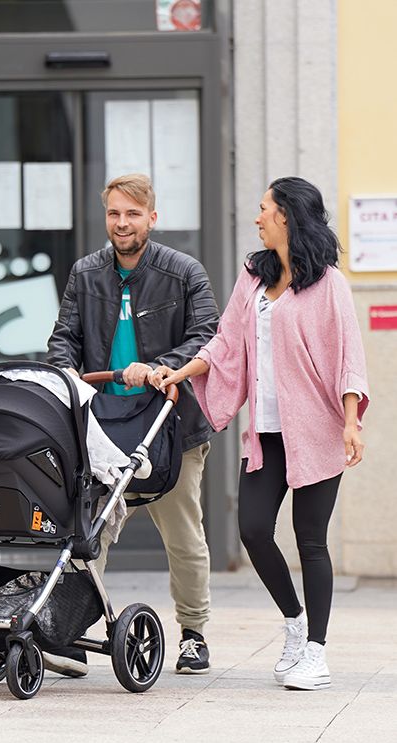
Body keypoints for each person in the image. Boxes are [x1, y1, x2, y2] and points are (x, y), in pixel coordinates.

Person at [151, 176, 369, 691]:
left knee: (311, 541)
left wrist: (352, 420)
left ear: (288, 216)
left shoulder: (329, 283)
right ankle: (294, 622)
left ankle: (316, 650)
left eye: (264, 210)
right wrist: (179, 374)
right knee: (252, 529)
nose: (257, 218)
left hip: (316, 429)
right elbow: (225, 342)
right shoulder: (253, 276)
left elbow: (348, 356)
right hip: (267, 434)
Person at [45, 173, 220, 676]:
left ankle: (193, 632)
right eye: (114, 214)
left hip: (169, 423)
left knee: (183, 534)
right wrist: (64, 378)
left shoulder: (184, 272)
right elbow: (65, 338)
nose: (122, 224)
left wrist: (163, 366)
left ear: (152, 218)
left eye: (133, 214)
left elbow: (207, 336)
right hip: (101, 425)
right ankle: (68, 633)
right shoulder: (86, 272)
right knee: (87, 532)